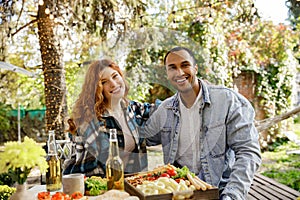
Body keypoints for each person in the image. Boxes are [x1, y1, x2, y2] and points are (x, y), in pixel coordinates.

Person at [144, 46, 262, 200]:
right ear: (167, 74)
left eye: (185, 65)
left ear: (195, 68)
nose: (179, 72)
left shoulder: (227, 100)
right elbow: (143, 138)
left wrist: (232, 196)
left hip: (220, 192)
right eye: (172, 68)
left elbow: (248, 152)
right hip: (181, 192)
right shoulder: (164, 110)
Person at [63, 59, 154, 177]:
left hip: (132, 183)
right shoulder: (90, 121)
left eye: (115, 76)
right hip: (96, 187)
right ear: (97, 89)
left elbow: (163, 109)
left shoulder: (132, 109)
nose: (113, 84)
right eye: (104, 82)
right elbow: (90, 171)